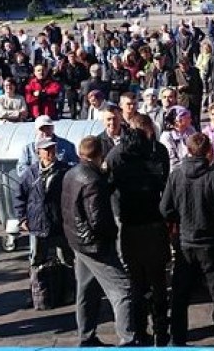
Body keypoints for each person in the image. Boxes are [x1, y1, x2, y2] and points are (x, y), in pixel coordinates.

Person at [160, 132, 214, 346]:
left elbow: (165, 209)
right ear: (209, 151)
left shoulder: (177, 175)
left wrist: (179, 220)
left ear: (188, 150)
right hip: (210, 242)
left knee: (180, 294)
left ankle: (178, 338)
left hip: (185, 241)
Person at [61, 136, 135, 347]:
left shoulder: (72, 173)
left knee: (86, 290)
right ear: (99, 154)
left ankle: (86, 337)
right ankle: (128, 340)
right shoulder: (92, 180)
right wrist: (110, 236)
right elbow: (97, 219)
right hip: (94, 245)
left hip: (77, 241)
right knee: (123, 290)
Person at [105, 123, 171, 346]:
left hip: (131, 228)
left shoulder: (119, 163)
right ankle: (162, 329)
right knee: (158, 281)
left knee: (136, 283)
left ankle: (141, 331)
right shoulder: (155, 159)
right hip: (154, 225)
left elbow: (108, 187)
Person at [14, 138, 73, 273]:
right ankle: (38, 289)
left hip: (60, 223)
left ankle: (68, 289)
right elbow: (19, 196)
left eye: (52, 148)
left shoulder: (65, 170)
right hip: (37, 223)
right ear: (38, 152)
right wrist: (22, 218)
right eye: (46, 149)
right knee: (37, 260)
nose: (50, 152)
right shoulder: (30, 173)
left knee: (66, 260)